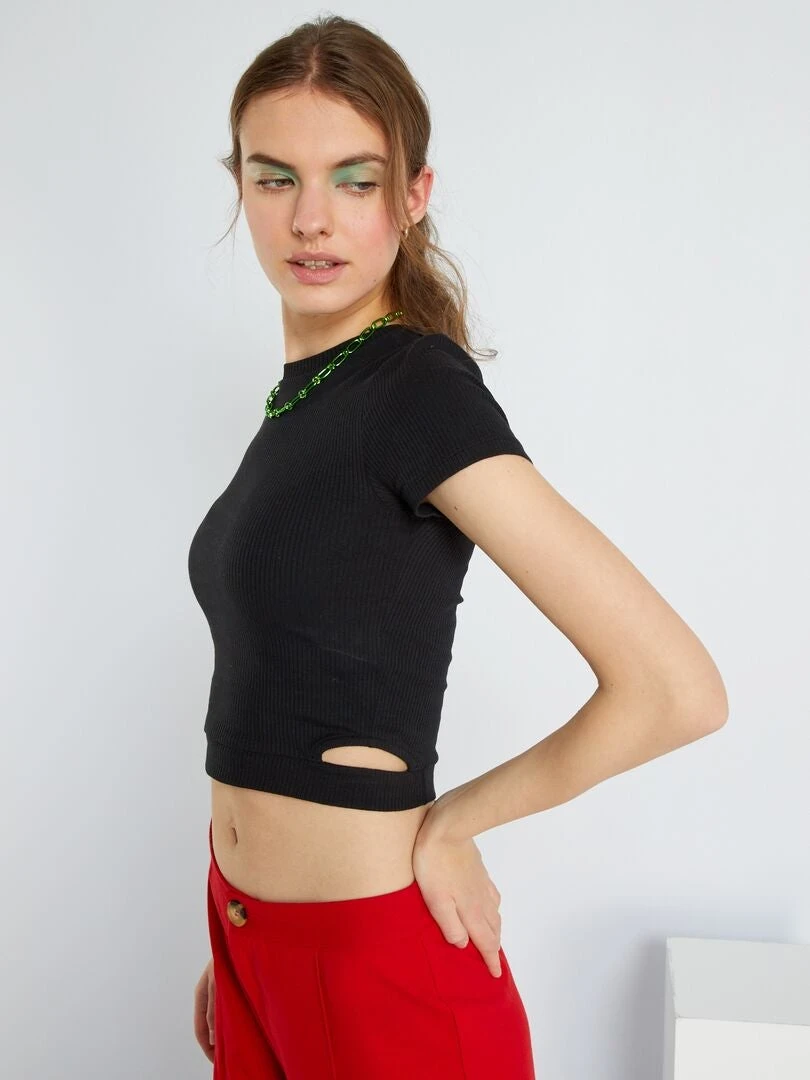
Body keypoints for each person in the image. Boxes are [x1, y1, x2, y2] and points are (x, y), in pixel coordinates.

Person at [188, 15, 728, 1079]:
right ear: (239, 186)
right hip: (257, 943)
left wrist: (449, 825)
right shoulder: (305, 397)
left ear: (414, 194)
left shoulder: (414, 391)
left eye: (354, 180)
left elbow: (676, 689)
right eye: (274, 176)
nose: (310, 218)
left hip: (376, 965)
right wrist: (245, 936)